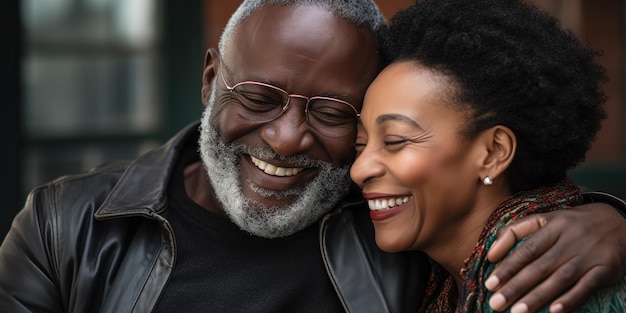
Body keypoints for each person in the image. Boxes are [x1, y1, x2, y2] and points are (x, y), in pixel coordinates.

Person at [1, 0, 626, 312]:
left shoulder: (389, 220)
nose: (287, 138)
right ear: (211, 78)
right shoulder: (66, 225)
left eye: (334, 114)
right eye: (259, 96)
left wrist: (612, 222)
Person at [350, 0, 626, 312]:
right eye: (360, 143)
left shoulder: (537, 279)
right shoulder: (446, 278)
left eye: (395, 140)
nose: (359, 170)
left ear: (493, 152)